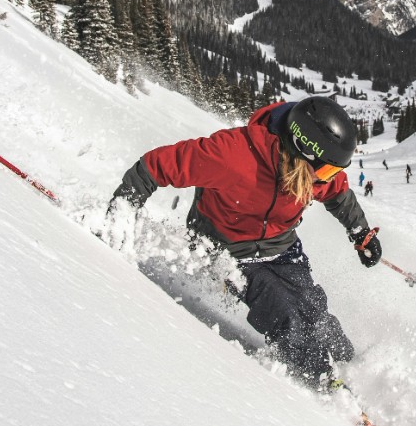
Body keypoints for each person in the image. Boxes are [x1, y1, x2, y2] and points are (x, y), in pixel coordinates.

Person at [106, 96, 382, 387]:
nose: (328, 180)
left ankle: (352, 367)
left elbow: (338, 194)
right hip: (227, 249)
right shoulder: (234, 156)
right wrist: (120, 212)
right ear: (303, 149)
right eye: (327, 171)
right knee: (284, 311)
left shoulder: (316, 176)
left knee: (315, 310)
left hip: (281, 246)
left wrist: (361, 232)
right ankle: (327, 383)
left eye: (334, 172)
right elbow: (158, 165)